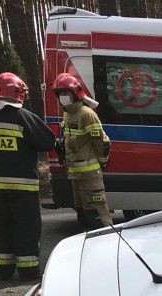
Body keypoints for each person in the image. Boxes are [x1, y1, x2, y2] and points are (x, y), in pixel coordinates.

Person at [0, 73, 56, 281]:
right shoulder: (23, 116)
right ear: (18, 92)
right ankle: (28, 269)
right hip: (24, 188)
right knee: (26, 227)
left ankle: (4, 270)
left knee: (1, 226)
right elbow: (47, 142)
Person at [53, 72, 112, 230]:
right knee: (83, 217)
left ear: (75, 94)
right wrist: (61, 150)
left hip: (90, 177)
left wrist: (103, 161)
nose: (62, 97)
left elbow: (102, 142)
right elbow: (68, 137)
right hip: (75, 175)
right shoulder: (68, 114)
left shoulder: (87, 114)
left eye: (65, 93)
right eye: (60, 94)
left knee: (98, 218)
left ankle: (107, 250)